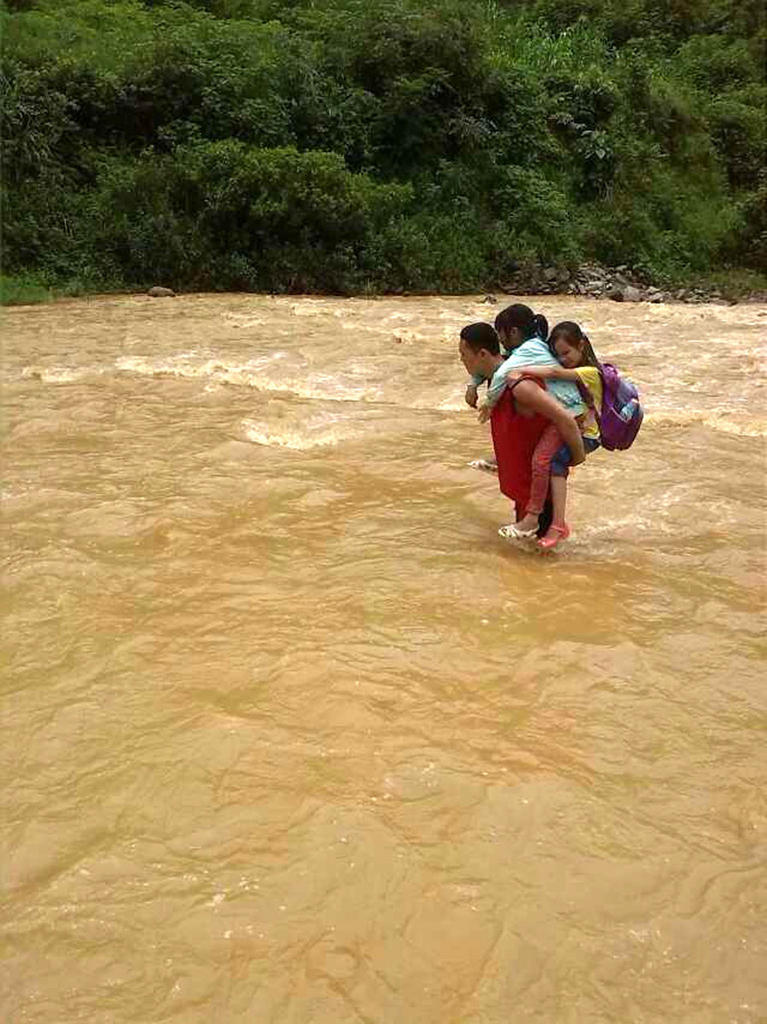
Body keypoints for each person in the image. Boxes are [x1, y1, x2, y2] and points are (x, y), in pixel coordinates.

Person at [459, 322, 585, 541]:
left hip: (539, 499)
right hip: (524, 495)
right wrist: (472, 386)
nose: (461, 359)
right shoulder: (496, 380)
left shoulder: (520, 386)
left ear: (482, 354)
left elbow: (566, 419)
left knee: (542, 568)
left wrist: (576, 457)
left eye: (463, 354)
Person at [504, 321, 602, 550]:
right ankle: (557, 525)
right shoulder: (577, 371)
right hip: (578, 429)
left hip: (587, 435)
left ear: (581, 345)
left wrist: (520, 370)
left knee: (546, 462)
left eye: (567, 353)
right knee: (551, 464)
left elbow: (553, 371)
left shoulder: (591, 372)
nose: (563, 359)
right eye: (559, 355)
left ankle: (543, 520)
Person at [464, 303, 584, 473]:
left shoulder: (529, 349)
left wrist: (489, 404)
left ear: (513, 332)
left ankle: (534, 491)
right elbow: (496, 366)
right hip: (567, 411)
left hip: (571, 413)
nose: (500, 341)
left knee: (542, 463)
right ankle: (504, 463)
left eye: (501, 334)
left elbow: (501, 373)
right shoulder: (532, 346)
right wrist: (473, 384)